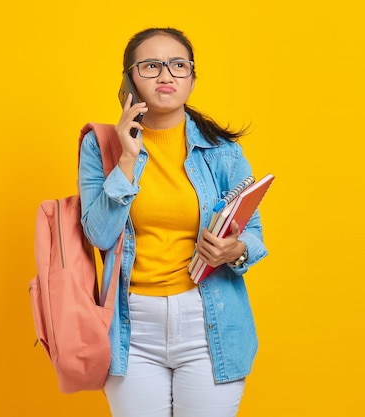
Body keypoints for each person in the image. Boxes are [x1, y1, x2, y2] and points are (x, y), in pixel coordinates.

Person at [78, 27, 268, 417]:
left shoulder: (224, 153)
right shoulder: (100, 146)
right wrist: (127, 160)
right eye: (151, 66)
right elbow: (98, 234)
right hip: (131, 329)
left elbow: (255, 236)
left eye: (178, 65)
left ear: (192, 78)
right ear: (130, 79)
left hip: (209, 322)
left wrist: (235, 249)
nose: (167, 75)